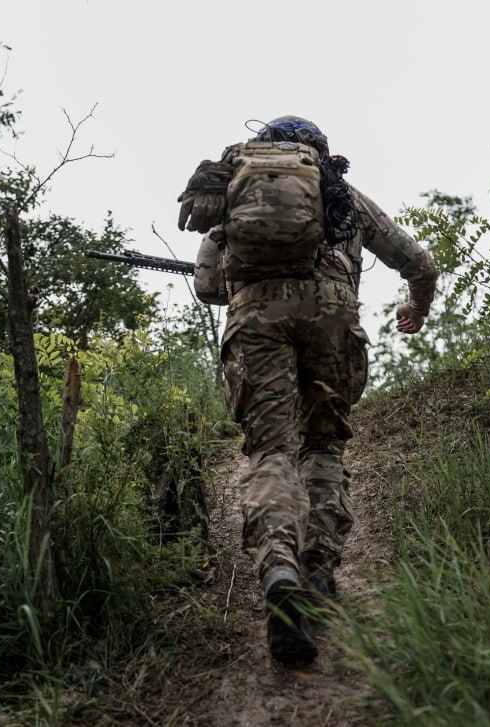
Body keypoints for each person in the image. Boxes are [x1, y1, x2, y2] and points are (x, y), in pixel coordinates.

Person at [178, 115, 438, 665]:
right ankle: (319, 568)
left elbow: (206, 288)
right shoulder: (340, 191)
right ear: (317, 153)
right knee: (323, 444)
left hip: (257, 322)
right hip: (333, 320)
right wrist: (416, 304)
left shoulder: (232, 192)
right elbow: (418, 260)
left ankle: (279, 567)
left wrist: (244, 278)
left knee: (271, 450)